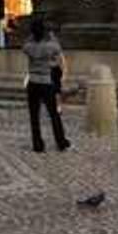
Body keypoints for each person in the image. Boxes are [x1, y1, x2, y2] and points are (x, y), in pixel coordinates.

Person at [22, 19, 70, 153]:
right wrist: (51, 36)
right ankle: (61, 142)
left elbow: (25, 45)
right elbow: (57, 48)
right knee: (54, 114)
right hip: (46, 81)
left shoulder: (29, 47)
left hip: (33, 82)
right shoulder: (50, 46)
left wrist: (33, 36)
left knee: (34, 116)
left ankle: (37, 144)